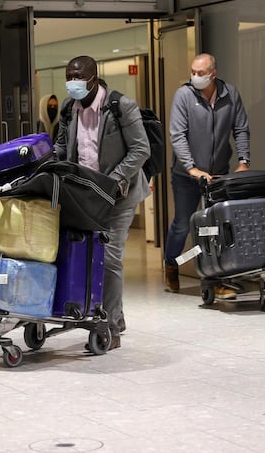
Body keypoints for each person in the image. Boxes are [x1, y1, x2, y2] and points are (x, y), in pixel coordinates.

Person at [53, 55, 151, 350]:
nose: (73, 83)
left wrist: (115, 179)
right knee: (81, 252)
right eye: (69, 77)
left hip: (119, 194)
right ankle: (108, 315)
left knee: (109, 258)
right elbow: (61, 146)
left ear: (93, 79)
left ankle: (109, 326)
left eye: (78, 77)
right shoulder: (70, 109)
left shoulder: (121, 106)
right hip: (85, 194)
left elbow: (140, 149)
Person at [163, 53, 250, 297]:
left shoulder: (230, 95)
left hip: (218, 174)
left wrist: (243, 161)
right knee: (183, 224)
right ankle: (172, 264)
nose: (195, 77)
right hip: (186, 175)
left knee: (214, 227)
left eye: (200, 73)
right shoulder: (184, 95)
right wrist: (192, 168)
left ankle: (215, 279)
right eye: (193, 72)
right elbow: (177, 135)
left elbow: (241, 128)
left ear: (214, 73)